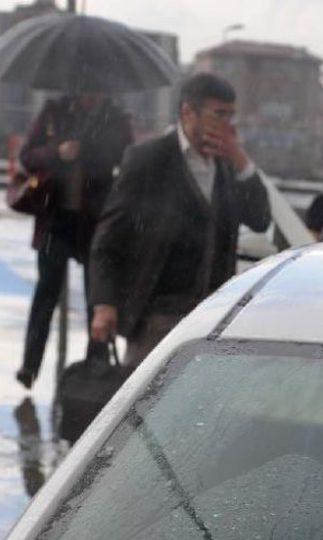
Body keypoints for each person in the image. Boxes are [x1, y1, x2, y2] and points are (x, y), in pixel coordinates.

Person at [89, 73, 270, 366]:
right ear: (188, 112)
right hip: (156, 312)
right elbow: (109, 237)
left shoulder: (228, 164)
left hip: (213, 313)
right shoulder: (148, 159)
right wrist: (104, 303)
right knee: (144, 403)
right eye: (218, 115)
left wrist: (240, 159)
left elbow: (261, 219)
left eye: (231, 116)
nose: (227, 125)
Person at [16, 93, 133, 389]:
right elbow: (28, 155)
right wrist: (58, 152)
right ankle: (30, 365)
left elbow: (127, 161)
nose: (89, 95)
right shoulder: (55, 111)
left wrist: (91, 152)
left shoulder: (116, 118)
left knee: (98, 295)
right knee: (46, 291)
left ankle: (96, 364)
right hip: (55, 219)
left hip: (95, 221)